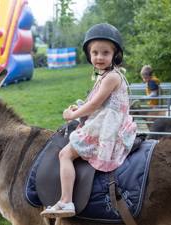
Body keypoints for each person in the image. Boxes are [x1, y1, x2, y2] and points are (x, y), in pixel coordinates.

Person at [40, 23, 137, 219]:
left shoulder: (111, 77)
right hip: (104, 120)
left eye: (105, 52)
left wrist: (71, 116)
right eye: (95, 53)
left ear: (115, 54)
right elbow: (95, 102)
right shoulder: (105, 75)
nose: (99, 57)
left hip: (107, 128)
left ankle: (66, 201)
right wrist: (80, 108)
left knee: (65, 154)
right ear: (89, 55)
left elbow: (94, 106)